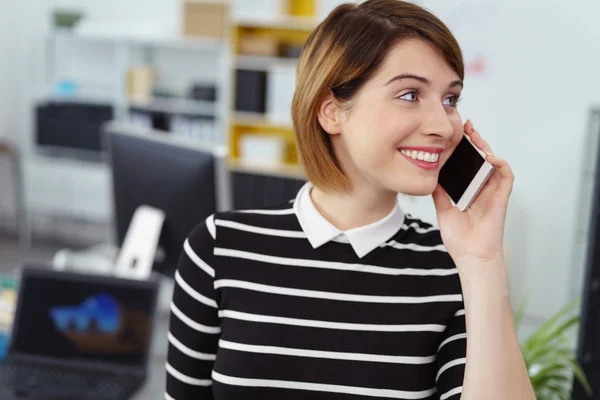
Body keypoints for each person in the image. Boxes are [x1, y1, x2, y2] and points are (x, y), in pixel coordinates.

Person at [165, 1, 535, 399]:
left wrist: (482, 263)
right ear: (331, 111)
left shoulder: (452, 268)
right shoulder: (220, 247)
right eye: (411, 94)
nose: (444, 126)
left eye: (450, 99)